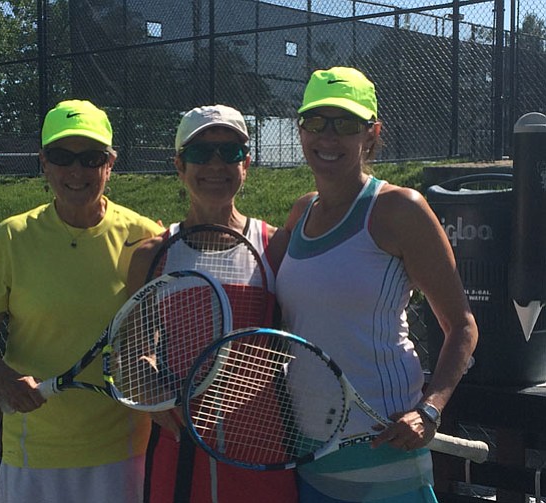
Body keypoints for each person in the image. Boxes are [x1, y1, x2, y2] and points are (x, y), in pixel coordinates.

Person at [275, 67, 478, 502]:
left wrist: (429, 409)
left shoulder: (400, 210)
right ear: (301, 129)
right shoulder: (299, 213)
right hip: (309, 456)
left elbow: (462, 325)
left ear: (371, 134)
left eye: (345, 123)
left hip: (385, 459)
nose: (328, 137)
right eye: (316, 122)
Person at [0, 99, 163, 503]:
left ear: (110, 163)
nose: (76, 171)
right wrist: (4, 380)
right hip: (33, 455)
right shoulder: (11, 236)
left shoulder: (145, 236)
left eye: (91, 158)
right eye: (61, 156)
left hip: (120, 457)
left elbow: (152, 336)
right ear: (44, 162)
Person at [127, 104, 297, 503]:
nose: (216, 165)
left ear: (247, 163)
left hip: (264, 453)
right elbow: (130, 353)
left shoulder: (277, 247)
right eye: (201, 154)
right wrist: (158, 402)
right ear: (180, 166)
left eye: (231, 152)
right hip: (179, 453)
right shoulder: (152, 255)